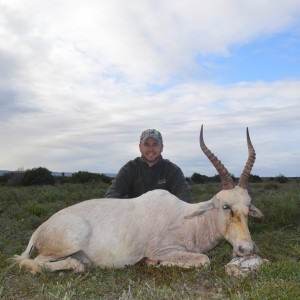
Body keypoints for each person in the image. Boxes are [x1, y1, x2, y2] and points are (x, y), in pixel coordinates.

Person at [105, 129, 192, 203]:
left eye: (155, 144)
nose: (151, 149)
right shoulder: (130, 168)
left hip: (165, 219)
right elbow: (112, 194)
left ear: (161, 147)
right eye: (146, 144)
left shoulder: (173, 170)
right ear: (140, 147)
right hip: (134, 218)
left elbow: (185, 198)